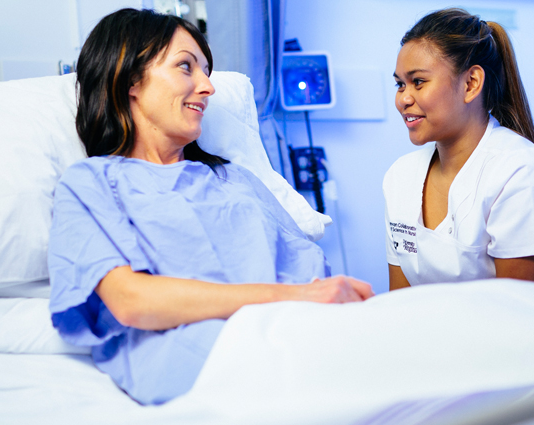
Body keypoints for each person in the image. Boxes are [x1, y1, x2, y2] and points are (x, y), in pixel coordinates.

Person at [48, 8, 372, 405]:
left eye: (206, 71)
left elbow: (315, 275)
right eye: (186, 67)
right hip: (218, 363)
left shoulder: (236, 180)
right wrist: (297, 299)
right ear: (130, 79)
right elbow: (131, 301)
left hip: (314, 335)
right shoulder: (91, 184)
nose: (207, 86)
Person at [385, 8, 534, 290]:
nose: (403, 98)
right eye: (399, 84)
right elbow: (400, 305)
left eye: (418, 82)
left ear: (471, 84)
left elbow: (523, 318)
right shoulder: (400, 176)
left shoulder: (524, 174)